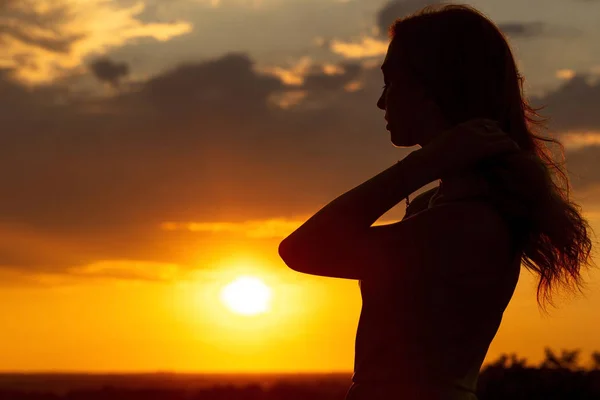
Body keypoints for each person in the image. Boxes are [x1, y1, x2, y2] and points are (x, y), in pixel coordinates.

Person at [278, 4, 595, 400]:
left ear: (435, 89)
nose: (381, 102)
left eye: (390, 83)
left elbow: (301, 250)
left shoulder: (465, 221)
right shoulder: (441, 204)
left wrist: (420, 165)